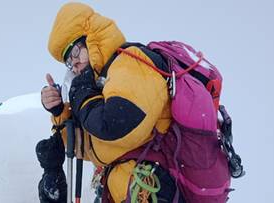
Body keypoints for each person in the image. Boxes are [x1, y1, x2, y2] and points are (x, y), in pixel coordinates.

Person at [41, 2, 185, 203]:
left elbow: (114, 127)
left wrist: (83, 95)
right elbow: (94, 148)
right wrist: (60, 114)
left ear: (91, 39)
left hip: (151, 191)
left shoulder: (131, 62)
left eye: (74, 52)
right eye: (68, 61)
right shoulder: (103, 85)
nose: (74, 64)